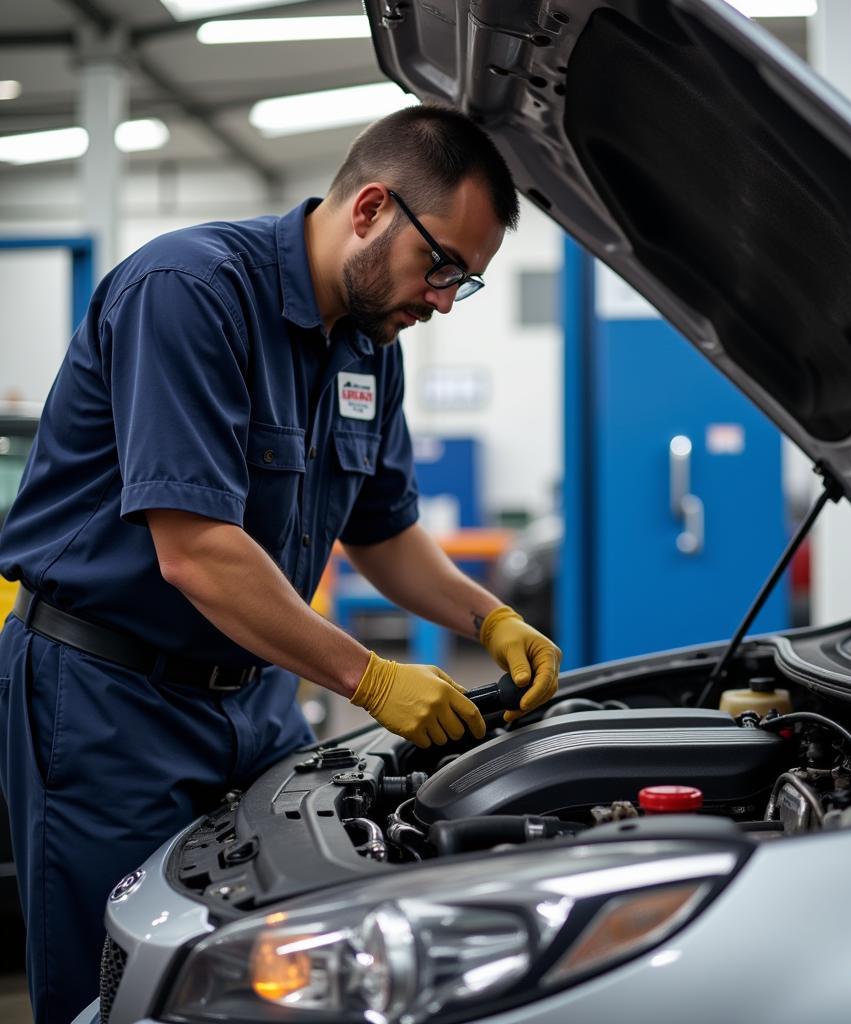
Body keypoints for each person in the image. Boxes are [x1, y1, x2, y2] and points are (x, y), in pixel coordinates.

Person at [0, 103, 560, 1024]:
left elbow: (382, 532)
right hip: (107, 699)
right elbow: (197, 553)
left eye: (470, 281)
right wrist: (371, 678)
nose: (446, 299)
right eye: (445, 266)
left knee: (278, 965)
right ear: (373, 207)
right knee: (116, 986)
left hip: (255, 695)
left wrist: (485, 618)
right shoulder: (189, 291)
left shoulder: (371, 347)